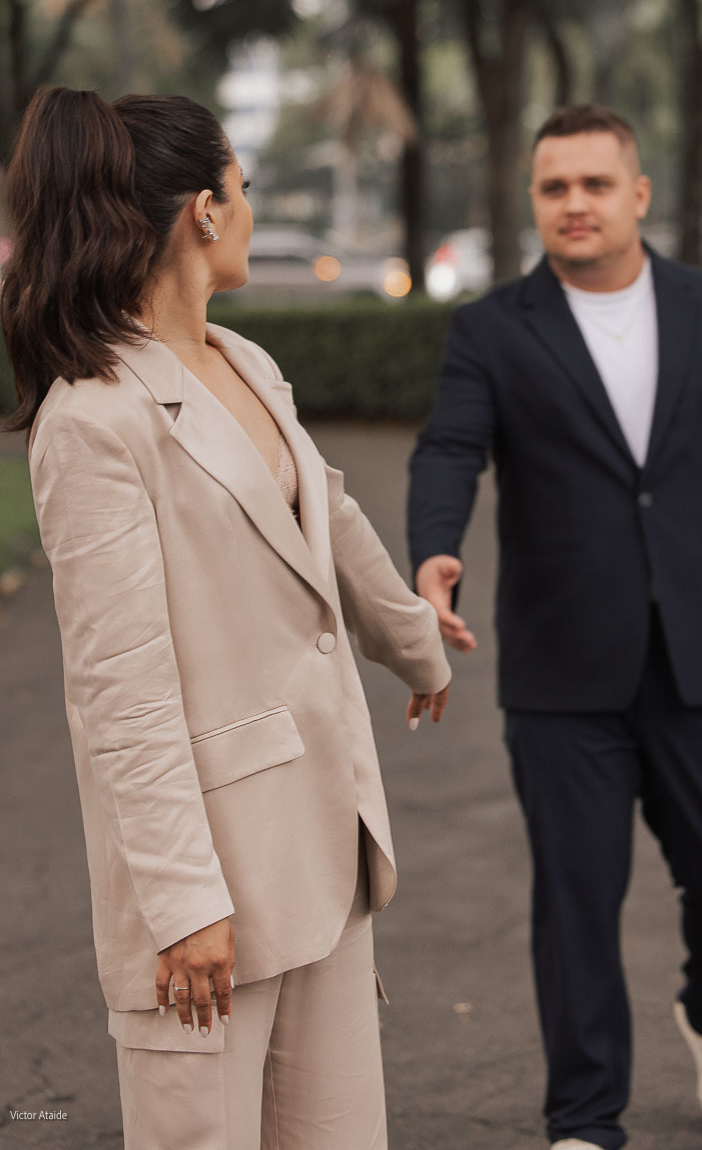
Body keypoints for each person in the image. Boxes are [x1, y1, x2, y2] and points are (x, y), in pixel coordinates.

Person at [1, 86, 451, 1150]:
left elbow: (326, 513)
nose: (246, 206)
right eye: (242, 187)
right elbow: (122, 688)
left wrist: (415, 644)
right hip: (207, 885)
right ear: (205, 209)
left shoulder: (245, 360)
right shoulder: (92, 418)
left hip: (322, 845)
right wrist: (181, 902)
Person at [407, 104, 702, 1149]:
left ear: (637, 195)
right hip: (561, 669)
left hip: (699, 659)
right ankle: (585, 1116)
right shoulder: (492, 330)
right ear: (534, 200)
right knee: (577, 900)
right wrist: (433, 552)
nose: (575, 204)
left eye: (596, 184)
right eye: (555, 186)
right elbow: (448, 449)